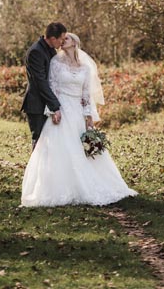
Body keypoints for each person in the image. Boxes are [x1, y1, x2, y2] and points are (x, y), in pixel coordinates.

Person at [21, 32, 137, 207]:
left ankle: (97, 184)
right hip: (62, 109)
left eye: (66, 39)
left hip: (77, 111)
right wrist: (54, 110)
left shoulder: (85, 67)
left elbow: (86, 94)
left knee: (84, 149)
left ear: (74, 43)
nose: (62, 41)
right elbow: (51, 86)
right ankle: (62, 186)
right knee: (61, 148)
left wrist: (88, 115)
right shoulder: (55, 63)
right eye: (61, 38)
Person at [21, 22, 67, 150]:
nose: (62, 43)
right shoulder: (36, 51)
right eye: (61, 39)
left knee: (50, 143)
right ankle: (35, 170)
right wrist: (55, 106)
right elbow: (41, 82)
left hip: (47, 102)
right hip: (36, 105)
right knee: (39, 142)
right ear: (53, 39)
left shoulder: (51, 49)